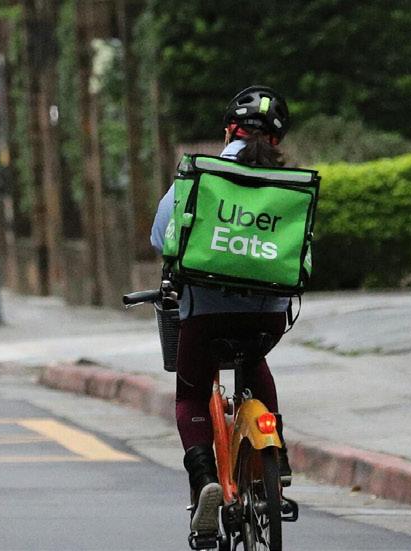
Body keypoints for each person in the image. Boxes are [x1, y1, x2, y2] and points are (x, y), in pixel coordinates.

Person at [149, 85, 295, 537]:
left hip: (206, 317)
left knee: (190, 395)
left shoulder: (199, 177)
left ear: (229, 130)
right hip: (268, 318)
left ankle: (205, 480)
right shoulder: (289, 186)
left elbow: (161, 236)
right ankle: (277, 456)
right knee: (254, 361)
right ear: (276, 140)